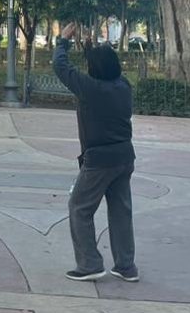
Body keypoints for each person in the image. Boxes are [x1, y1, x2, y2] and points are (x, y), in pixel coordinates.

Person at [53, 22, 137, 283]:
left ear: (94, 70)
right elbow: (102, 66)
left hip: (99, 160)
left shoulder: (91, 89)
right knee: (121, 211)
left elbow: (61, 67)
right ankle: (126, 266)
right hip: (124, 156)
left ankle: (90, 264)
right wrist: (89, 47)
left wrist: (63, 42)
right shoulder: (123, 86)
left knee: (79, 207)